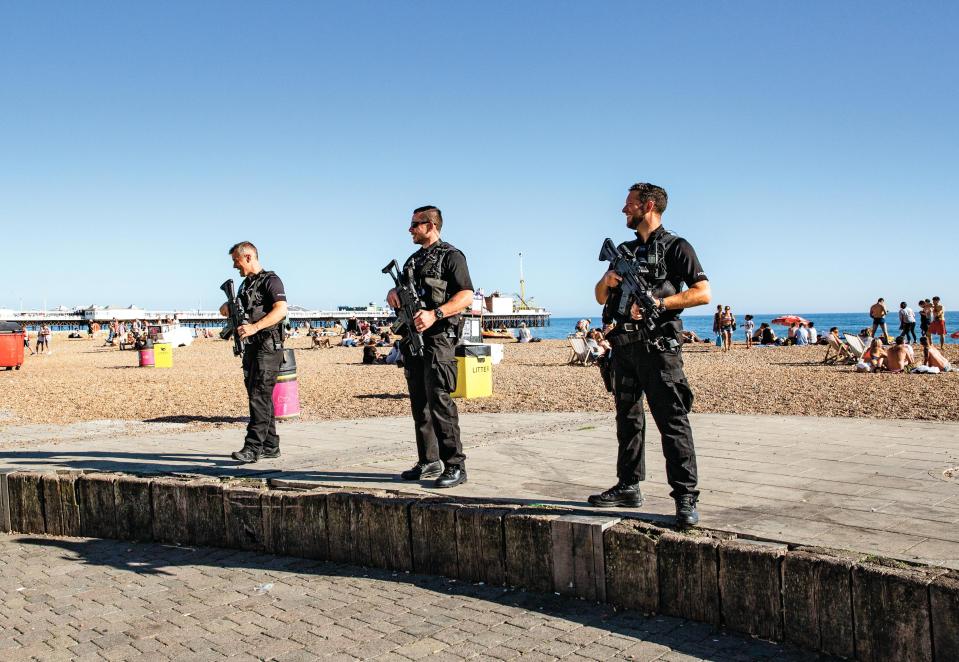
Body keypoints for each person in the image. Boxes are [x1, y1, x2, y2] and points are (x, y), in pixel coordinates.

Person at [590, 182, 711, 526]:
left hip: (658, 347)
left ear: (649, 206)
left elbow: (703, 293)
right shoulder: (624, 250)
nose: (623, 210)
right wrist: (609, 281)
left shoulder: (677, 247)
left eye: (629, 204)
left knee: (672, 421)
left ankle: (685, 497)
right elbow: (600, 297)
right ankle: (629, 485)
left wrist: (660, 303)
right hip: (624, 348)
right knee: (628, 420)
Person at [387, 205, 474, 489]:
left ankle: (455, 465)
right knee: (419, 403)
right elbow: (406, 291)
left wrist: (435, 314)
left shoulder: (452, 256)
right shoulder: (413, 260)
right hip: (414, 340)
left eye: (415, 224)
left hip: (439, 339)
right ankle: (429, 460)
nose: (410, 229)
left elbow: (465, 296)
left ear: (431, 225)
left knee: (440, 400)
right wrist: (393, 294)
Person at [219, 241, 289, 464]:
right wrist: (227, 308)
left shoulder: (271, 281)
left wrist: (255, 327)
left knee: (259, 395)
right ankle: (270, 445)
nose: (234, 267)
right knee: (259, 396)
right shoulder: (244, 286)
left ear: (248, 257)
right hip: (252, 347)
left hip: (268, 346)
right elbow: (239, 310)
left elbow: (281, 310)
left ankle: (253, 447)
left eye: (236, 261)